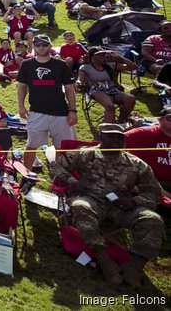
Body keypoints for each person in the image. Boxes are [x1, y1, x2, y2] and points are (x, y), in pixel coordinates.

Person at [52, 123, 164, 288]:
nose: (117, 140)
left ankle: (134, 266)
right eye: (111, 136)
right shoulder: (85, 154)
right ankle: (104, 259)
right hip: (91, 200)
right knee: (80, 206)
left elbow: (153, 193)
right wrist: (73, 182)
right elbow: (55, 166)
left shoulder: (136, 164)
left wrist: (134, 201)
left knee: (153, 219)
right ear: (101, 137)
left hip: (120, 207)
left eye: (120, 137)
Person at [17, 34, 77, 170]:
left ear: (50, 46)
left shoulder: (60, 64)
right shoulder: (27, 65)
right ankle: (27, 175)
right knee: (31, 146)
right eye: (37, 45)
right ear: (33, 47)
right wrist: (21, 106)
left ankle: (61, 176)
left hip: (60, 112)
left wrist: (73, 110)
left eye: (44, 44)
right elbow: (21, 87)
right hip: (36, 112)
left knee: (61, 148)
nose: (41, 47)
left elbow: (69, 88)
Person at [78, 47, 136, 124]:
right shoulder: (85, 67)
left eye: (103, 54)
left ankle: (121, 122)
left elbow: (133, 67)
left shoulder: (109, 65)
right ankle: (110, 129)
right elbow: (80, 79)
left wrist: (119, 57)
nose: (102, 57)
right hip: (97, 90)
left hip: (112, 90)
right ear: (92, 57)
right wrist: (79, 83)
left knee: (130, 98)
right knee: (109, 106)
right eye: (99, 55)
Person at [124, 105, 171, 197]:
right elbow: (113, 142)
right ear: (160, 120)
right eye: (170, 118)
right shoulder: (146, 133)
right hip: (148, 183)